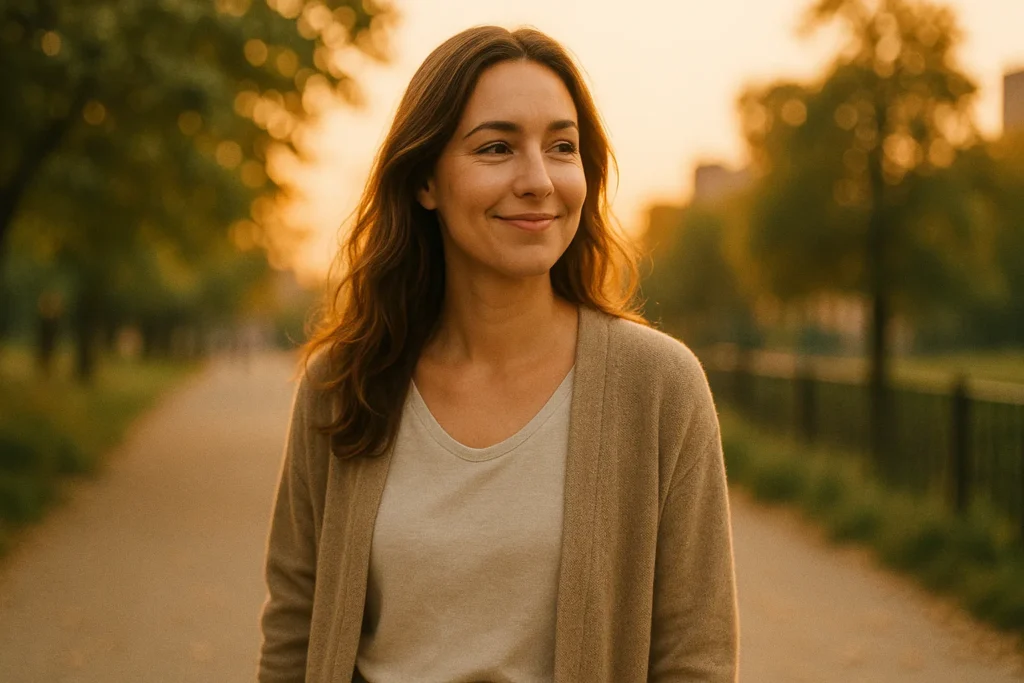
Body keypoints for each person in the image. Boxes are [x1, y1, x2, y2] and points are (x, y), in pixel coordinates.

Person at [257, 25, 738, 683]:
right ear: (426, 180)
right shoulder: (344, 383)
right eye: (497, 147)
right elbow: (293, 627)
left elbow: (696, 659)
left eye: (562, 147)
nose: (538, 179)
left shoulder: (658, 384)